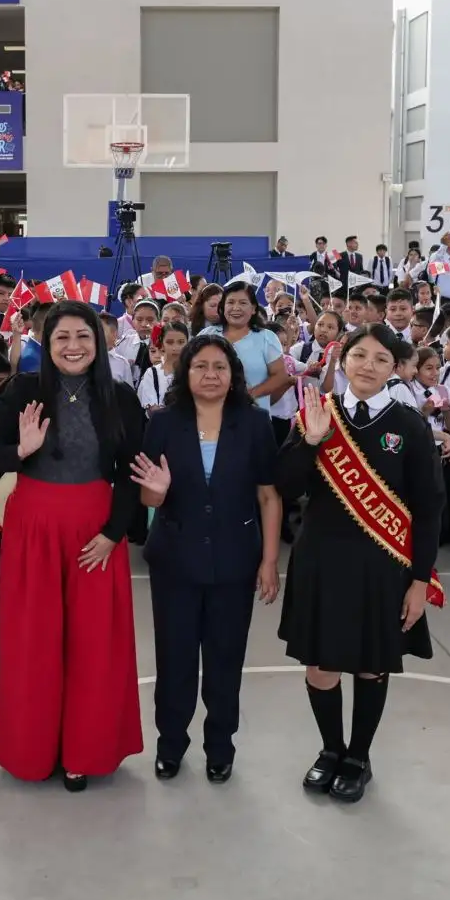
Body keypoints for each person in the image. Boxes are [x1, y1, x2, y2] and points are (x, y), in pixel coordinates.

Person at [276, 324, 443, 804]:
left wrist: (419, 581)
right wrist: (309, 441)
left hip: (382, 565)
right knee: (320, 669)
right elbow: (284, 485)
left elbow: (429, 509)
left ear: (396, 369)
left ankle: (358, 757)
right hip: (321, 561)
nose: (368, 366)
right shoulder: (316, 413)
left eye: (381, 359)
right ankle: (330, 750)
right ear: (342, 360)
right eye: (359, 355)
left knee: (371, 667)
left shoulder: (408, 424)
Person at [0, 301, 146, 791]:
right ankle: (33, 750)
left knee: (94, 644)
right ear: (45, 343)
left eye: (83, 336)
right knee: (32, 641)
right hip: (33, 526)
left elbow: (132, 473)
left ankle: (85, 751)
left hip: (95, 532)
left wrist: (114, 534)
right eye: (62, 338)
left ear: (99, 344)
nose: (73, 346)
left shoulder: (119, 396)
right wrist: (23, 452)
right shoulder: (24, 390)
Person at [131, 334, 281, 781]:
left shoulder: (254, 423)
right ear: (185, 372)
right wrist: (154, 493)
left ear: (233, 373)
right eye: (201, 366)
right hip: (175, 560)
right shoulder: (162, 423)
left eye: (220, 366)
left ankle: (220, 746)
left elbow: (269, 496)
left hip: (235, 560)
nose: (211, 375)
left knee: (224, 659)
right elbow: (146, 495)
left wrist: (269, 561)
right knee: (174, 659)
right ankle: (171, 745)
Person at [200, 281, 289, 411]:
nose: (236, 308)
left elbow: (280, 376)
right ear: (223, 306)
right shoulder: (207, 335)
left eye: (243, 303)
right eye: (230, 302)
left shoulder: (266, 338)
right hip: (210, 415)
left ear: (253, 308)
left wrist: (249, 396)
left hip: (253, 417)